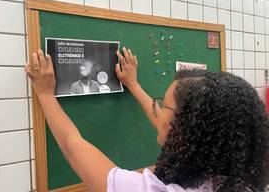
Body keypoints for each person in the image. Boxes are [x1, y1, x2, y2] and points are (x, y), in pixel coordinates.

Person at [25, 48, 269, 192]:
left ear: (182, 129)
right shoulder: (235, 174)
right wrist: (133, 84)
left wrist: (45, 94)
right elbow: (174, 128)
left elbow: (71, 144)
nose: (158, 112)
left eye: (164, 105)